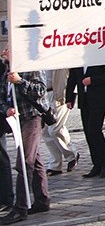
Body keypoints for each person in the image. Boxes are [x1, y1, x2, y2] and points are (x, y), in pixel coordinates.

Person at [0, 48, 50, 225]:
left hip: (32, 117)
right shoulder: (6, 68)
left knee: (24, 161)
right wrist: (6, 108)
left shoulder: (31, 66)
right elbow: (2, 96)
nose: (4, 51)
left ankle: (20, 208)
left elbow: (41, 90)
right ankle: (42, 200)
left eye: (8, 48)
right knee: (35, 160)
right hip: (17, 119)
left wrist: (20, 81)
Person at [65, 64, 105, 178]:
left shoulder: (100, 55)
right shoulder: (78, 60)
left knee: (94, 130)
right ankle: (96, 164)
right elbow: (72, 78)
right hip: (84, 99)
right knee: (88, 132)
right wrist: (69, 98)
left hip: (99, 98)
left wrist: (93, 80)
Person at [42, 69, 80, 176]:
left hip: (59, 94)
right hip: (43, 95)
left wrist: (71, 95)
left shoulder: (59, 58)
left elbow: (71, 76)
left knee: (54, 129)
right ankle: (55, 164)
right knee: (45, 131)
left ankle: (72, 154)